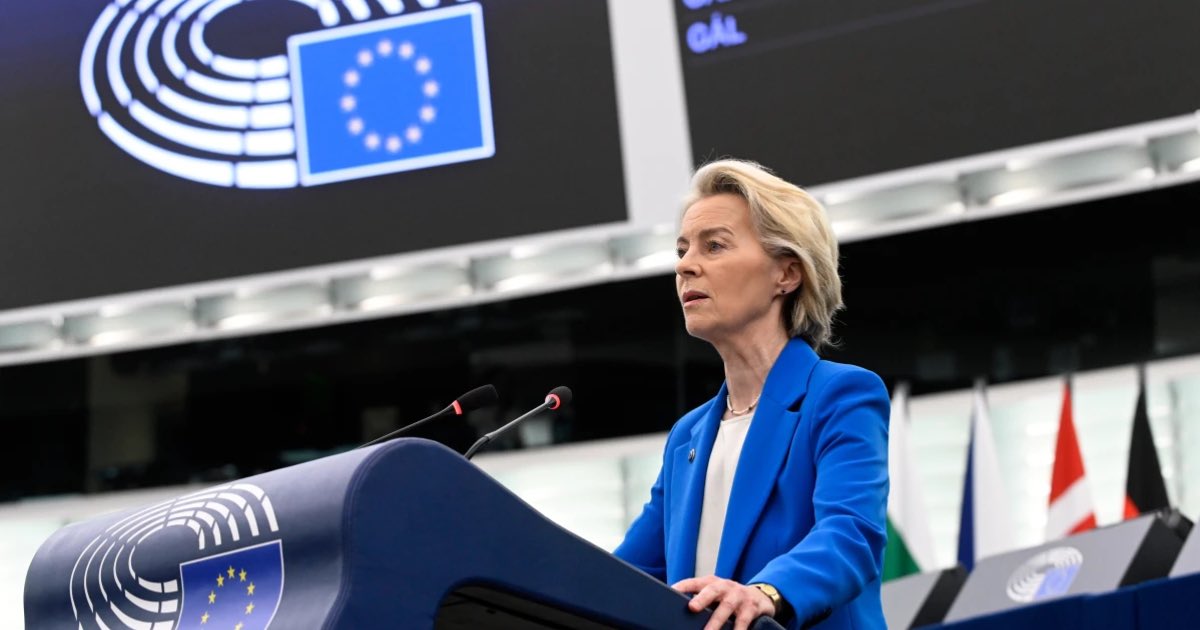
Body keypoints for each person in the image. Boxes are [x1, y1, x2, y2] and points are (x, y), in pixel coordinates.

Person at [613, 159, 889, 630]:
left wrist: (765, 594)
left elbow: (851, 535)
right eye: (681, 249)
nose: (685, 265)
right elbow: (623, 577)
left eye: (713, 245)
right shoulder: (688, 436)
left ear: (786, 274)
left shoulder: (840, 395)